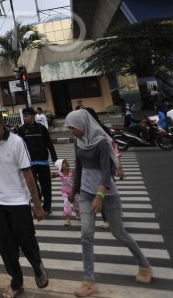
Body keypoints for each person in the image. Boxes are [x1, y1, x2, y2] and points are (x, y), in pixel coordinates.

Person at [66, 109, 152, 296]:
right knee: (86, 234)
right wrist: (74, 189)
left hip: (107, 193)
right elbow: (79, 165)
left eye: (73, 127)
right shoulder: (78, 141)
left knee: (118, 232)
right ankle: (89, 281)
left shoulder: (101, 142)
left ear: (83, 124)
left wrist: (100, 195)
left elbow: (107, 170)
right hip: (87, 193)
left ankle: (144, 265)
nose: (71, 131)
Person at [0, 108, 49, 298]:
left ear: (1, 124)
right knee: (5, 244)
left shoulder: (17, 142)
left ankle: (37, 265)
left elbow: (28, 174)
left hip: (18, 200)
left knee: (26, 239)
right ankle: (16, 281)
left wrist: (37, 204)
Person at [15, 107, 58, 215]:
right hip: (30, 163)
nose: (25, 118)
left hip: (43, 162)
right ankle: (37, 199)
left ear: (33, 116)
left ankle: (47, 207)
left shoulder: (41, 128)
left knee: (46, 185)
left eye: (27, 116)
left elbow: (49, 143)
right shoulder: (22, 129)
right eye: (24, 116)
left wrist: (54, 158)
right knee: (32, 184)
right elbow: (19, 146)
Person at [52, 158, 79, 227]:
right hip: (65, 192)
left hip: (74, 191)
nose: (66, 163)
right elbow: (53, 175)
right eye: (64, 163)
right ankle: (67, 219)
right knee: (66, 203)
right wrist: (52, 175)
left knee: (77, 203)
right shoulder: (60, 174)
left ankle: (77, 212)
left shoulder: (72, 172)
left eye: (67, 162)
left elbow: (77, 178)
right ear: (61, 167)